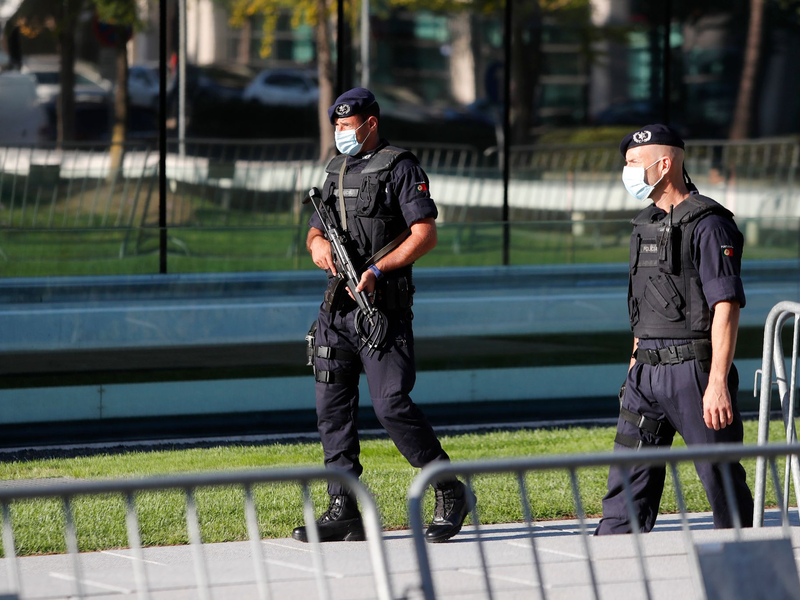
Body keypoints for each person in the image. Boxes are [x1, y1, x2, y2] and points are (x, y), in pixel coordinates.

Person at [293, 87, 475, 544]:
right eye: (336, 126)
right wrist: (318, 248)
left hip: (382, 310)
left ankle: (449, 490)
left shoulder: (401, 166)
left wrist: (378, 268)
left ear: (370, 124)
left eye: (347, 126)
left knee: (392, 404)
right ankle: (344, 507)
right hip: (337, 309)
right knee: (331, 410)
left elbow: (425, 234)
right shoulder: (334, 170)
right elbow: (316, 231)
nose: (341, 134)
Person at [595, 124, 754, 535]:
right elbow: (642, 307)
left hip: (694, 373)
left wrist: (717, 381)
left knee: (721, 483)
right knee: (625, 488)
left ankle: (747, 571)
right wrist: (633, 369)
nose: (627, 172)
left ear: (663, 165)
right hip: (645, 373)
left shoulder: (709, 223)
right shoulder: (643, 224)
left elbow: (726, 305)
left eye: (633, 164)